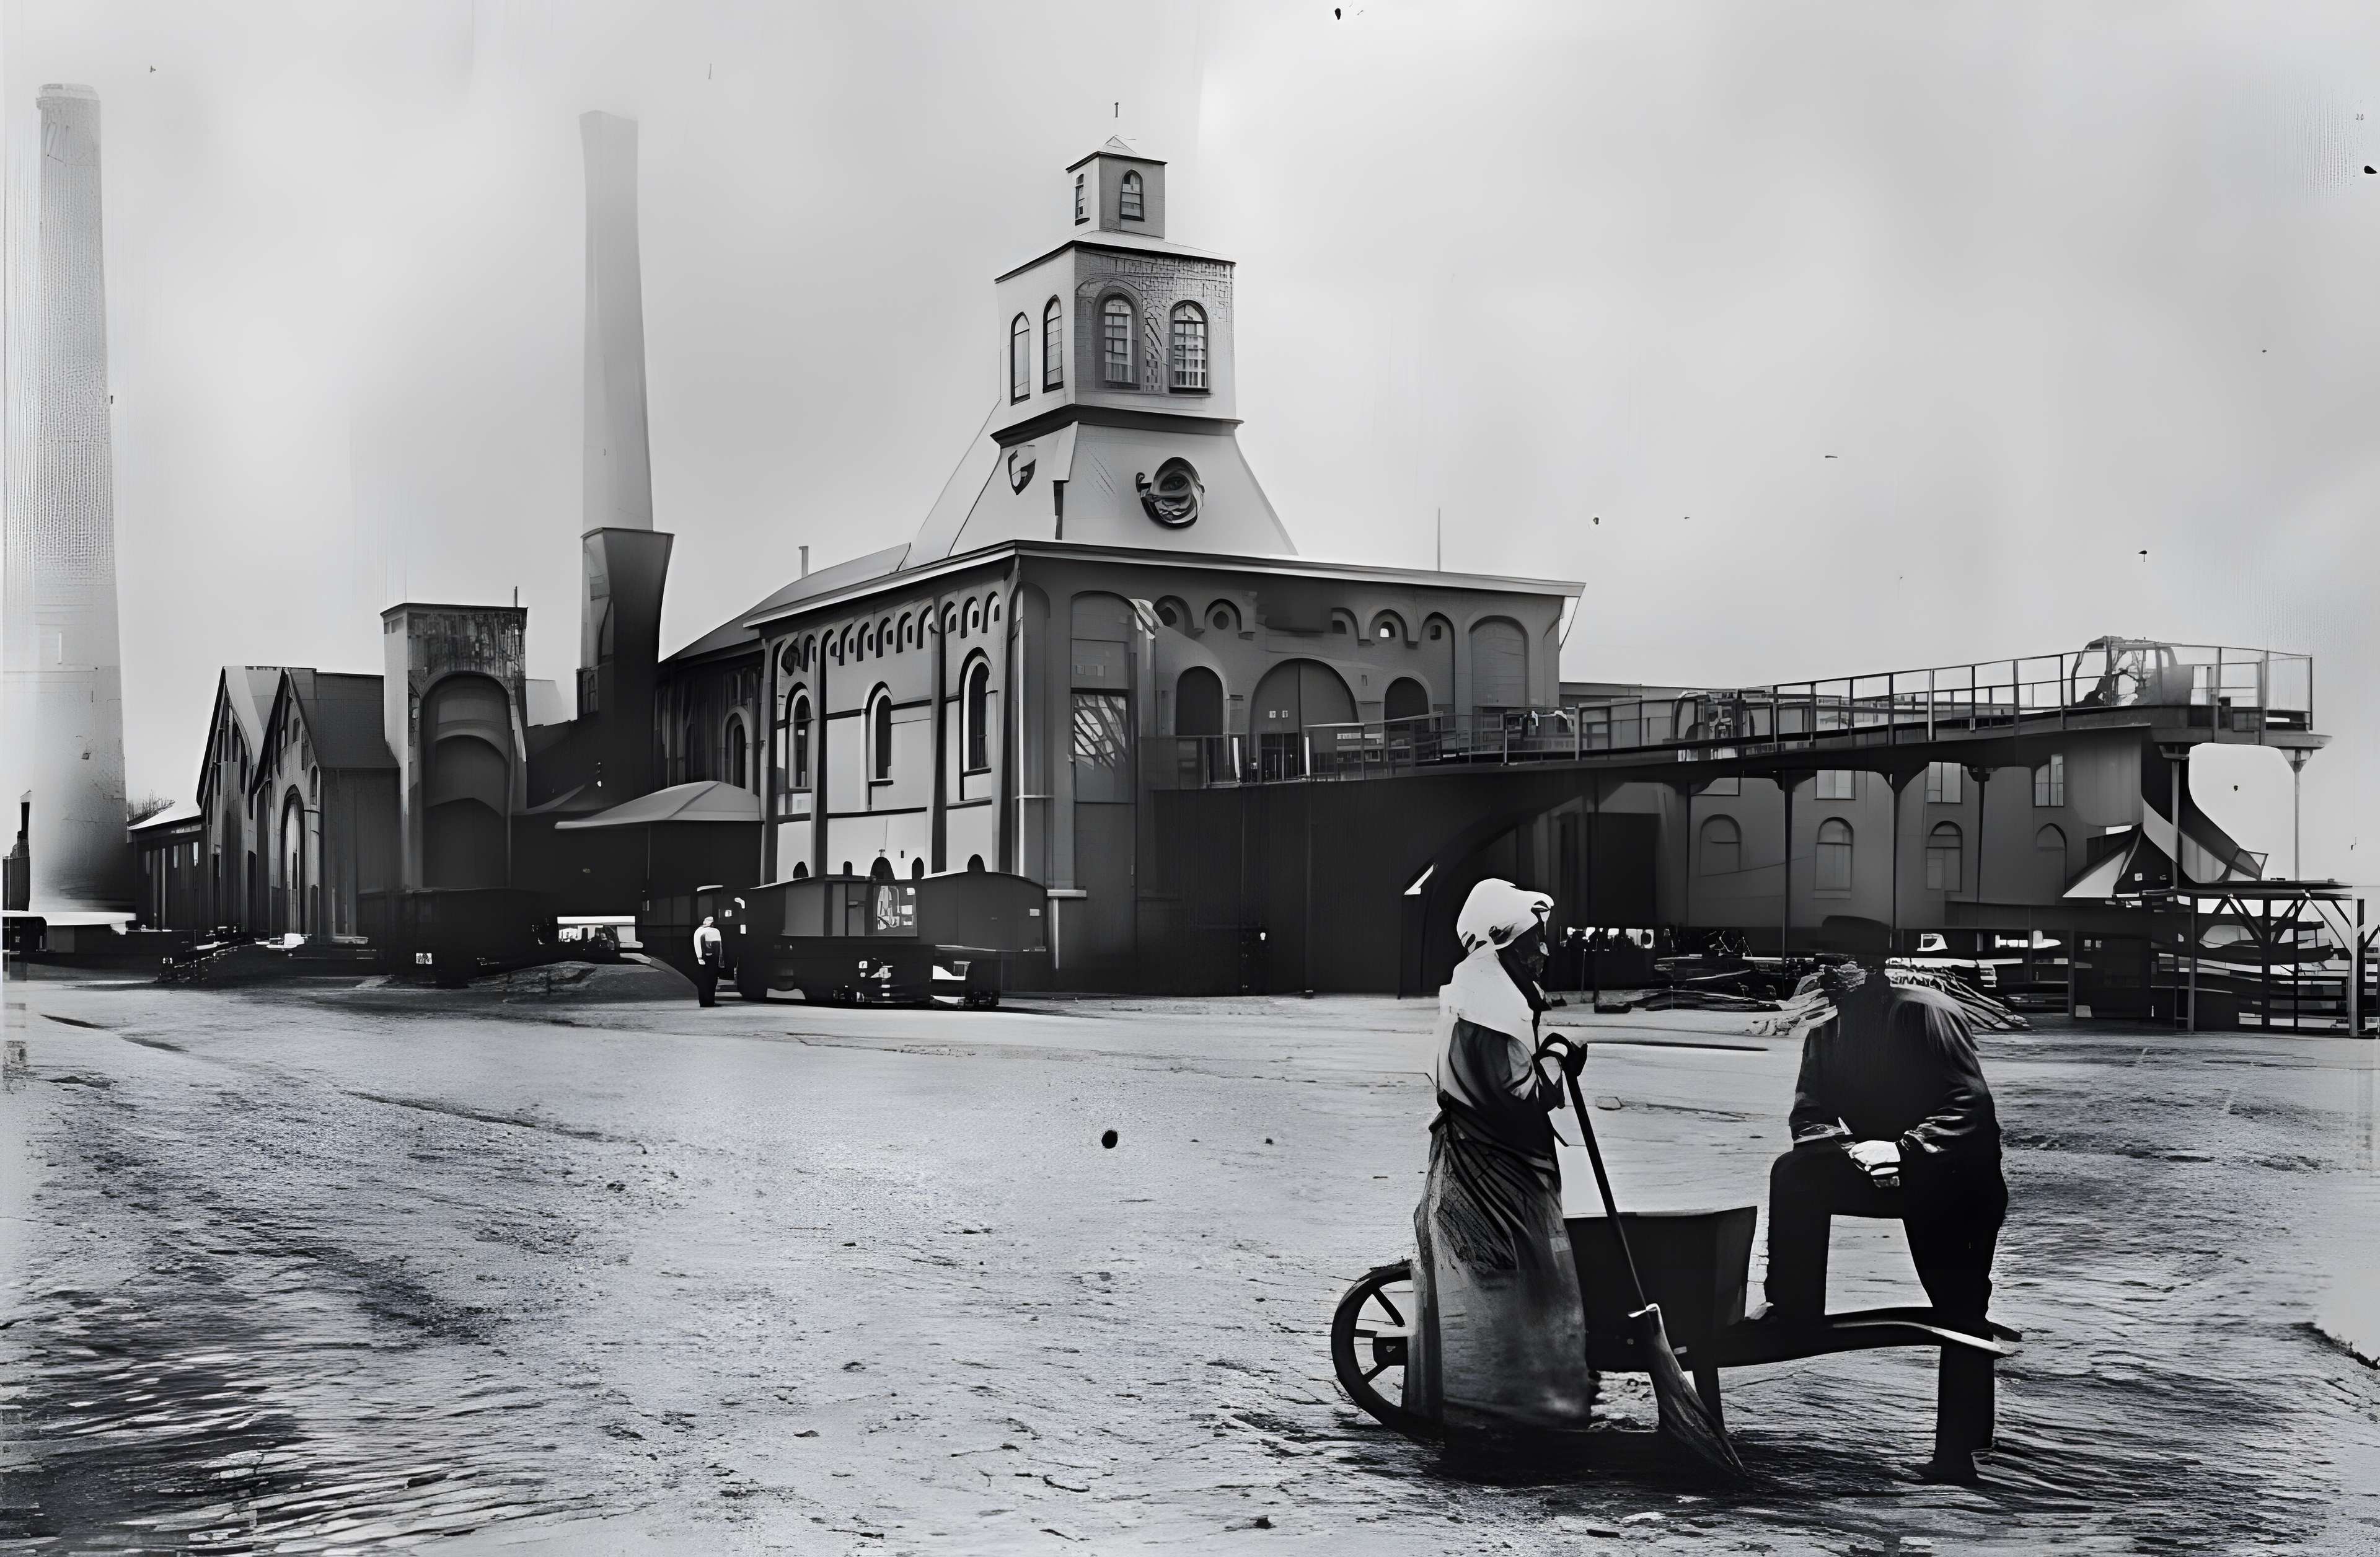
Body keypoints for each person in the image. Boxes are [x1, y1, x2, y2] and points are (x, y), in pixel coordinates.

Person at [1759, 920, 2007, 1484]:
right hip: (1878, 1166)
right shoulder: (1824, 1037)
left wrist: (1905, 1149)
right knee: (1794, 1173)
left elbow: (1969, 1107)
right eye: (1821, 962)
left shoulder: (1925, 1013)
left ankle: (1960, 1453)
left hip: (1954, 1178)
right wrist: (1848, 1150)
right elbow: (1809, 1115)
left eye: (1840, 961)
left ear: (1874, 966)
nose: (1826, 974)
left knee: (1958, 1308)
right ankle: (1795, 1307)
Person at [1406, 878, 1595, 1442]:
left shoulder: (1479, 1000)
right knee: (1516, 1279)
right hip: (1498, 1173)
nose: (1544, 952)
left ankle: (1503, 1401)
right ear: (1500, 947)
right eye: (1533, 941)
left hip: (1475, 1160)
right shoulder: (1491, 1013)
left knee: (1494, 1279)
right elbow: (1521, 1100)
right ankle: (1515, 1411)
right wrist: (1558, 1056)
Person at [691, 915, 724, 1007]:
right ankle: (710, 1002)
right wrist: (720, 963)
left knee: (703, 982)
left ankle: (704, 1002)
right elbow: (717, 949)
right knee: (711, 982)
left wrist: (700, 958)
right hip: (711, 960)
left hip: (700, 961)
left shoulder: (698, 931)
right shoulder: (713, 932)